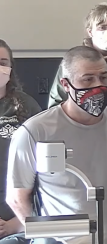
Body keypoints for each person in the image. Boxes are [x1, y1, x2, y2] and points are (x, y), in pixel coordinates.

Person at [6, 46, 107, 244]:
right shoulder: (35, 131)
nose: (98, 86)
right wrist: (44, 235)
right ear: (66, 84)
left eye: (103, 78)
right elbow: (17, 198)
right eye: (88, 79)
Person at [0, 39, 41, 244]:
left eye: (3, 62)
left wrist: (17, 222)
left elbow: (46, 173)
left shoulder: (27, 106)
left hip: (21, 219)